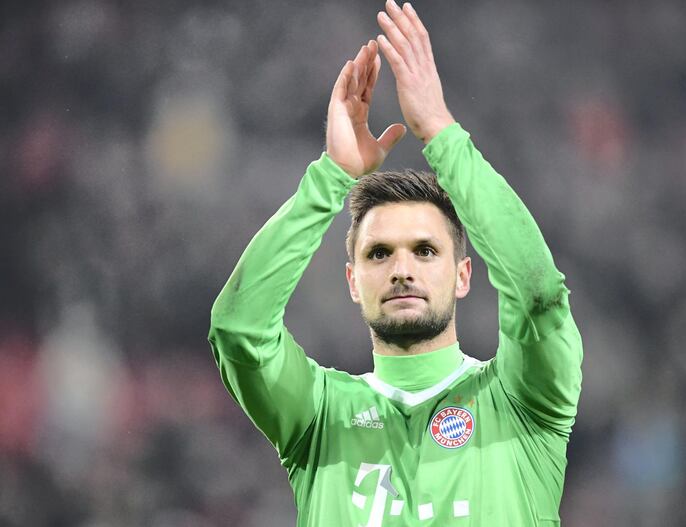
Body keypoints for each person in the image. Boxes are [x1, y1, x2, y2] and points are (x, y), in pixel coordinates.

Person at [208, 1, 583, 524]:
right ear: (353, 282)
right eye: (379, 254)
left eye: (426, 250)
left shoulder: (522, 402)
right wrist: (332, 176)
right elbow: (237, 330)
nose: (402, 268)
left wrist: (441, 134)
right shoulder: (318, 417)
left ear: (463, 274)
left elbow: (539, 296)